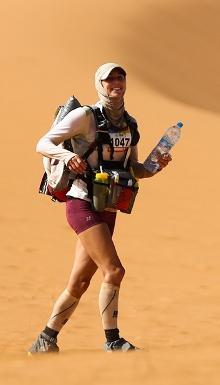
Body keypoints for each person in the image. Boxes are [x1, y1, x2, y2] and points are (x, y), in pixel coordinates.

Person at [29, 63, 171, 354]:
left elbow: (136, 169)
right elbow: (43, 143)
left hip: (108, 207)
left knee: (80, 281)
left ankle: (45, 340)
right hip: (81, 202)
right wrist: (67, 155)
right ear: (100, 84)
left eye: (120, 78)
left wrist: (155, 167)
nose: (115, 83)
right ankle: (112, 341)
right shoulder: (84, 116)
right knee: (114, 270)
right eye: (110, 79)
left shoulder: (130, 125)